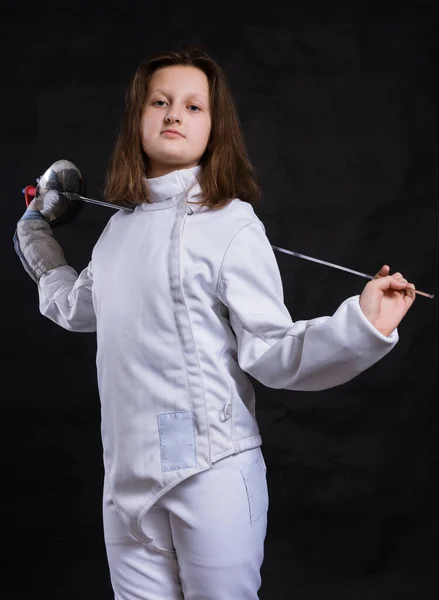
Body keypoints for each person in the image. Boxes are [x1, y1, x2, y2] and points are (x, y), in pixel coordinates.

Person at [13, 44, 416, 600]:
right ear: (137, 120)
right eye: (160, 101)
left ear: (214, 128)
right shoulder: (117, 233)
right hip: (124, 480)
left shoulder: (231, 222)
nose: (175, 113)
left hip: (211, 472)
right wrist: (36, 239)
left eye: (193, 106)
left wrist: (362, 324)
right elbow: (77, 308)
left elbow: (272, 351)